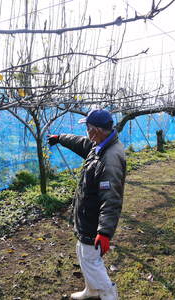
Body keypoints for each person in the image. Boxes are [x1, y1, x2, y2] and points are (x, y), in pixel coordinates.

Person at [47, 109, 126, 300]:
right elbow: (81, 143)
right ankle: (91, 291)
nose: (86, 132)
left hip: (94, 219)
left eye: (88, 128)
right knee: (82, 252)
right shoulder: (99, 144)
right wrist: (60, 138)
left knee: (91, 259)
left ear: (96, 130)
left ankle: (108, 295)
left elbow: (112, 198)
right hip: (87, 214)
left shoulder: (110, 159)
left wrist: (104, 232)